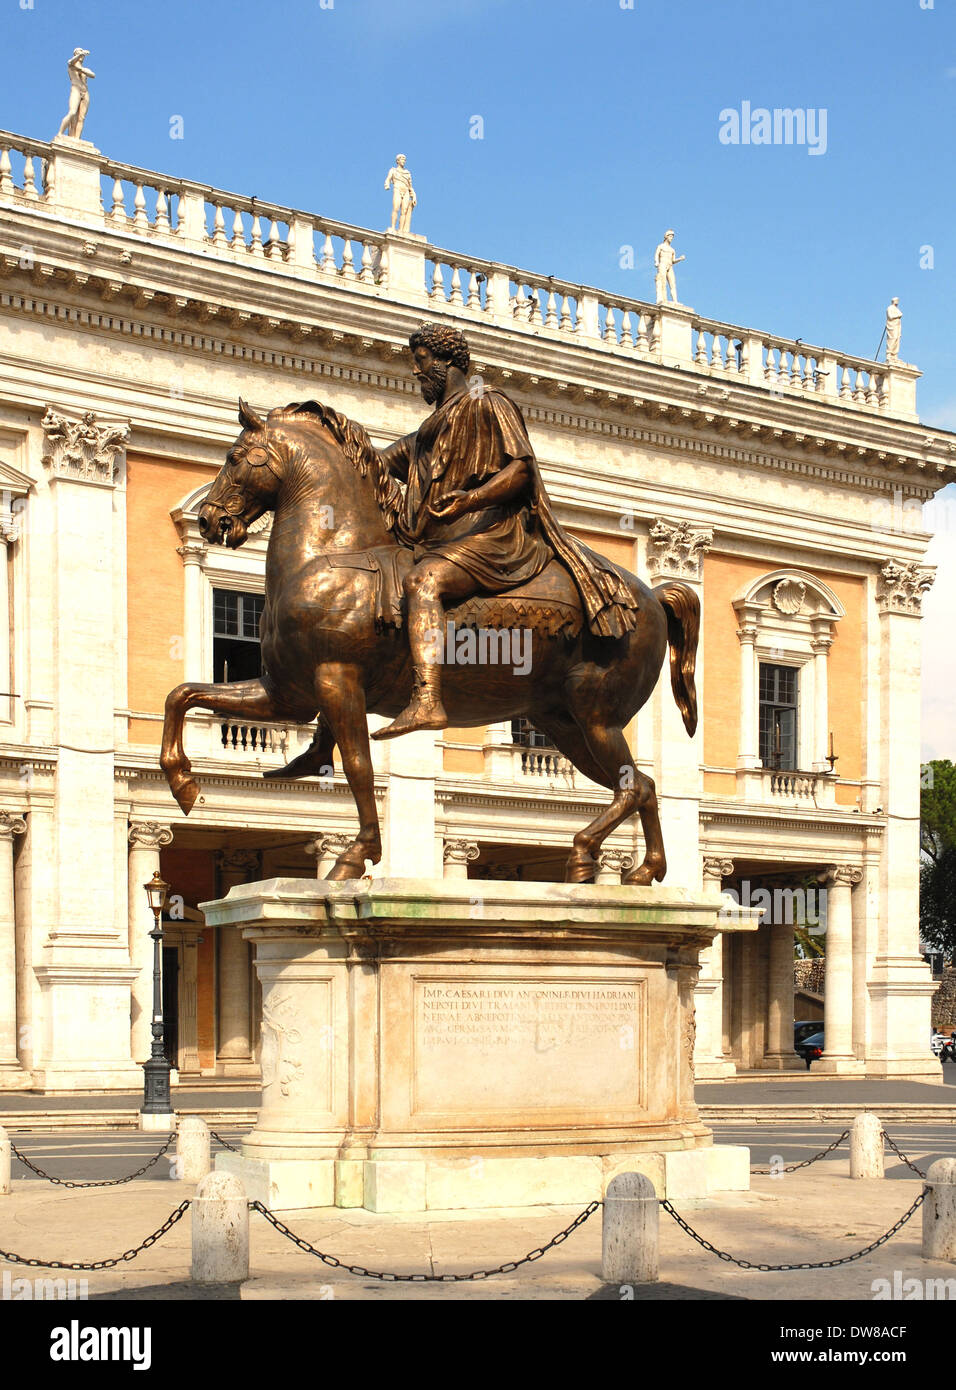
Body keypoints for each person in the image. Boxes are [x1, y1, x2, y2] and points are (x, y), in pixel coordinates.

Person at [370, 322, 641, 740]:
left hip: (492, 536)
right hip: (443, 541)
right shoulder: (428, 431)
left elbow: (521, 469)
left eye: (421, 362)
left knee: (422, 581)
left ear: (447, 362)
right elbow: (375, 465)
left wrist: (470, 500)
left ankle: (427, 699)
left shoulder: (487, 402)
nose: (416, 371)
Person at [57, 48, 95, 141]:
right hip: (76, 89)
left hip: (85, 92)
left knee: (81, 117)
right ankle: (60, 133)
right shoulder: (71, 65)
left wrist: (81, 69)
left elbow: (93, 75)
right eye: (79, 53)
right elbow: (70, 62)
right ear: (75, 54)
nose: (81, 55)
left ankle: (77, 138)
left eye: (82, 53)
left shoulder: (83, 69)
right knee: (72, 112)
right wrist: (79, 55)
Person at [384, 154, 416, 234]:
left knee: (404, 211)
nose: (403, 161)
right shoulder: (393, 170)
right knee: (396, 208)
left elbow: (410, 186)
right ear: (397, 161)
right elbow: (388, 179)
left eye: (404, 160)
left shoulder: (407, 173)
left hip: (406, 191)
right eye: (402, 159)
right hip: (397, 188)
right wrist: (387, 184)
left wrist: (414, 195)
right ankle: (393, 227)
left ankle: (401, 230)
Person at [654, 229, 685, 304]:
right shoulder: (661, 246)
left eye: (672, 237)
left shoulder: (672, 250)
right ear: (666, 237)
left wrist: (680, 259)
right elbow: (656, 255)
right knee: (663, 282)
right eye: (670, 236)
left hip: (670, 266)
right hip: (662, 264)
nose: (671, 238)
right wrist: (656, 262)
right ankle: (664, 300)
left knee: (673, 284)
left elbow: (673, 261)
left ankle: (675, 301)